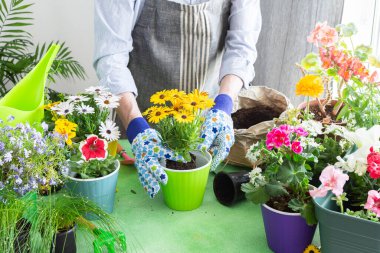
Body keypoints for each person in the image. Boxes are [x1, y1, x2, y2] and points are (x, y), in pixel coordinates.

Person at [94, 0, 262, 198]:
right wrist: (136, 127)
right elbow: (111, 56)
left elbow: (241, 47)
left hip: (206, 120)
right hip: (138, 116)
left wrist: (224, 106)